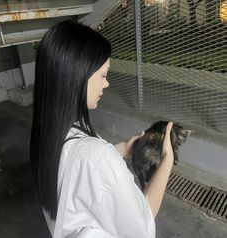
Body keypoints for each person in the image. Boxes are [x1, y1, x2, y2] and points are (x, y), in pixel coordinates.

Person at [30, 19, 174, 238]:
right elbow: (141, 226)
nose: (106, 84)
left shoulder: (48, 132)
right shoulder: (96, 157)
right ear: (76, 77)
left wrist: (122, 149)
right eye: (104, 75)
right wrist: (166, 161)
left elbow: (78, 170)